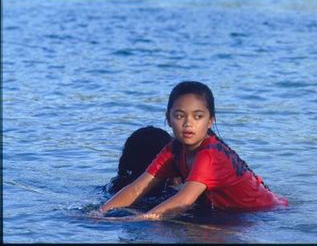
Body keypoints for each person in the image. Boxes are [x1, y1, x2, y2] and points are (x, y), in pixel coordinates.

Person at [98, 81, 288, 220]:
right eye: (180, 116)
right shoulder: (173, 149)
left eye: (198, 116)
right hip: (233, 212)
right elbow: (137, 188)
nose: (188, 123)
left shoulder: (210, 154)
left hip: (264, 214)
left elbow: (184, 200)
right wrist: (100, 213)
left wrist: (139, 219)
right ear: (168, 119)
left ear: (211, 120)